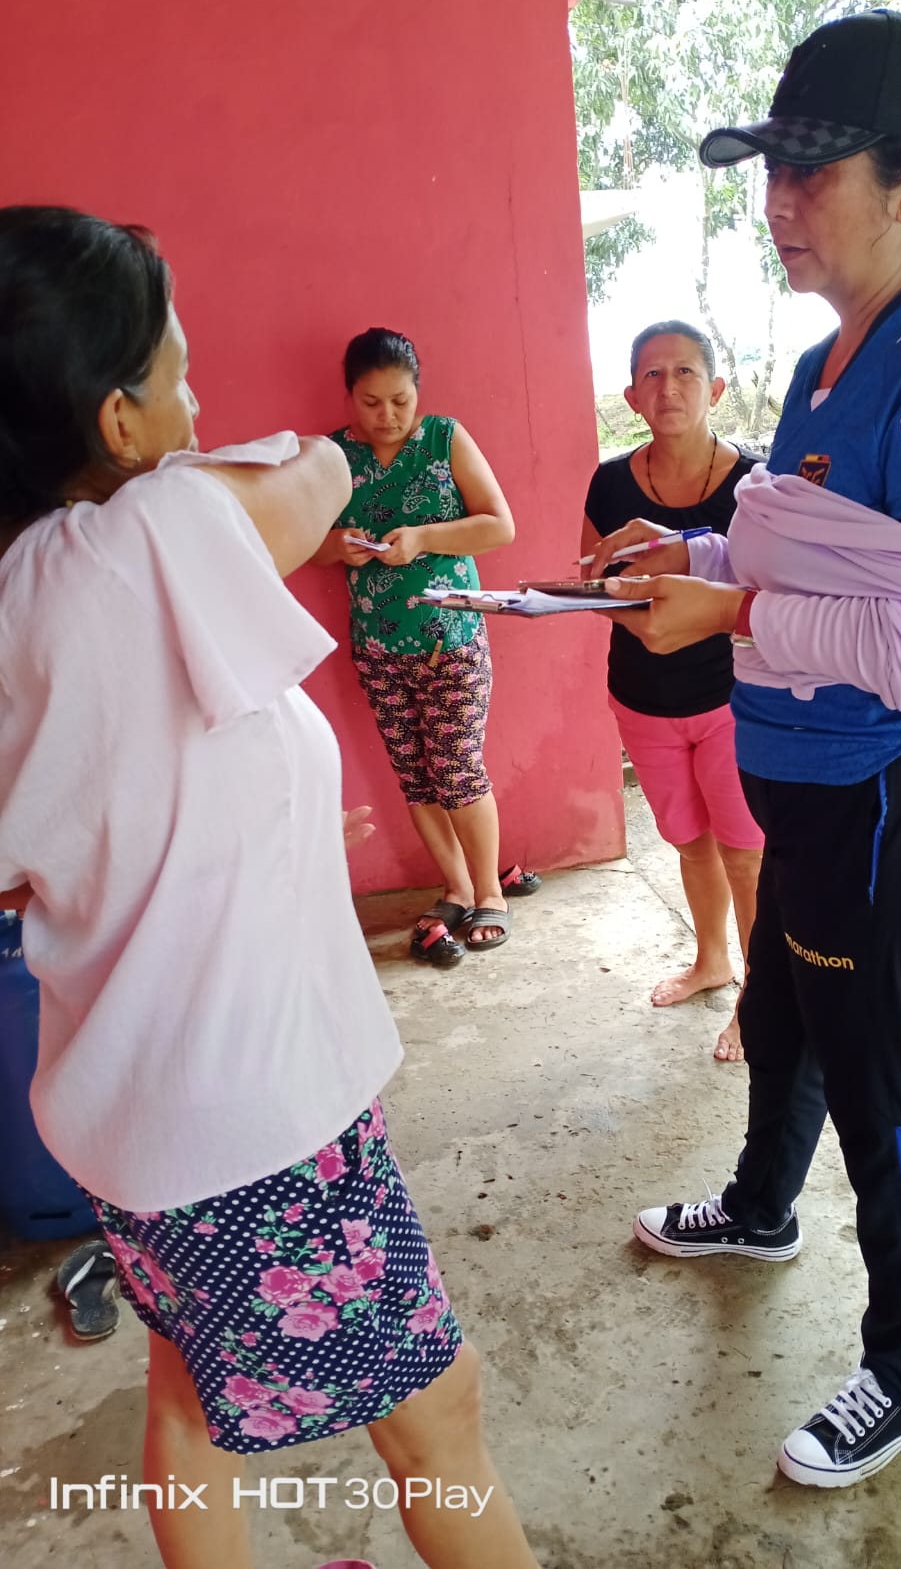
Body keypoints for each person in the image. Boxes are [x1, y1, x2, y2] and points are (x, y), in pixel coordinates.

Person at [0, 206, 538, 1569]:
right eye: (180, 378)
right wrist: (309, 453)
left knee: (187, 1402)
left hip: (136, 1128)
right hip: (255, 1131)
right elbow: (313, 486)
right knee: (441, 1418)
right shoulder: (150, 535)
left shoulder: (24, 590)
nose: (201, 405)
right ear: (116, 421)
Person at [589, 11, 901, 1488]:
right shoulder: (821, 363)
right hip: (819, 798)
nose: (779, 202)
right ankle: (761, 1208)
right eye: (770, 170)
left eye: (814, 170)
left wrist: (735, 611)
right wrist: (696, 550)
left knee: (886, 1098)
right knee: (781, 1021)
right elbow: (805, 554)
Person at [310, 329, 538, 965]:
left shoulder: (444, 438)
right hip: (378, 648)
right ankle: (456, 888)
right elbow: (307, 543)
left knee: (457, 769)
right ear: (350, 396)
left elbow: (499, 526)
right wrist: (337, 546)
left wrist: (424, 538)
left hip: (451, 641)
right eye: (371, 402)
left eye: (400, 401)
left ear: (418, 393)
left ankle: (490, 892)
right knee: (416, 776)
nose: (387, 416)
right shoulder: (333, 456)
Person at [581, 323, 762, 1062]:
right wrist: (639, 616)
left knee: (746, 854)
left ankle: (759, 998)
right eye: (652, 375)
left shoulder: (755, 483)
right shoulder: (609, 483)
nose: (668, 388)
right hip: (642, 697)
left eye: (685, 372)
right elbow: (594, 583)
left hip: (734, 701)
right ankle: (711, 960)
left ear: (715, 388)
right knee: (689, 842)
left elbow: (773, 588)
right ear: (632, 397)